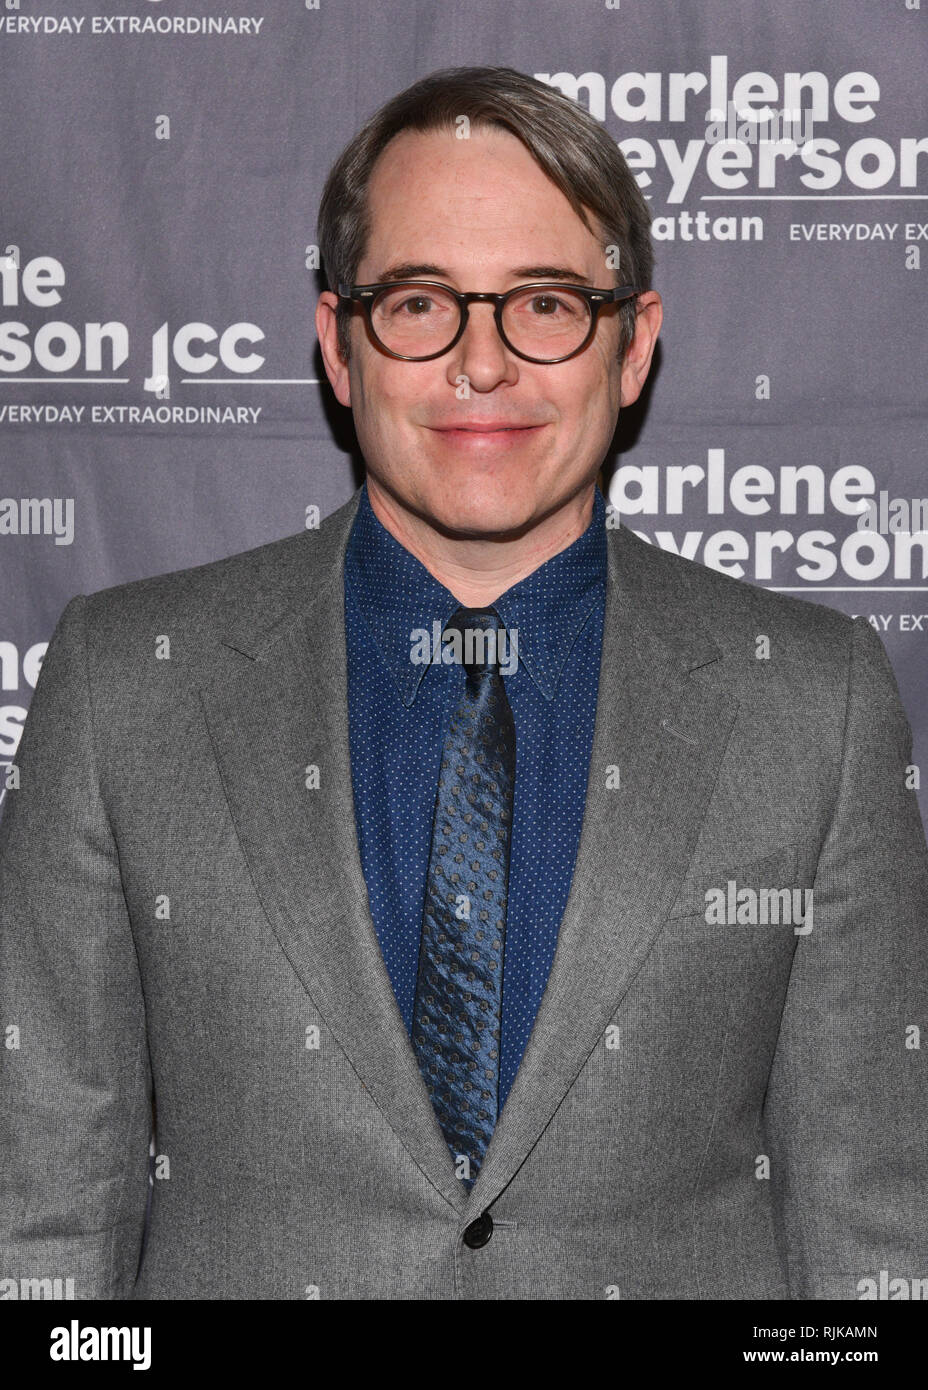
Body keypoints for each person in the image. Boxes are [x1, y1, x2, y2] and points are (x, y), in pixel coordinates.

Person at [1, 65, 926, 1302]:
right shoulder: (126, 687)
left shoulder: (817, 704)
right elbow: (46, 1225)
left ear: (631, 342)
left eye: (543, 304)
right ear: (338, 342)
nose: (480, 365)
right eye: (421, 303)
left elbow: (870, 1229)